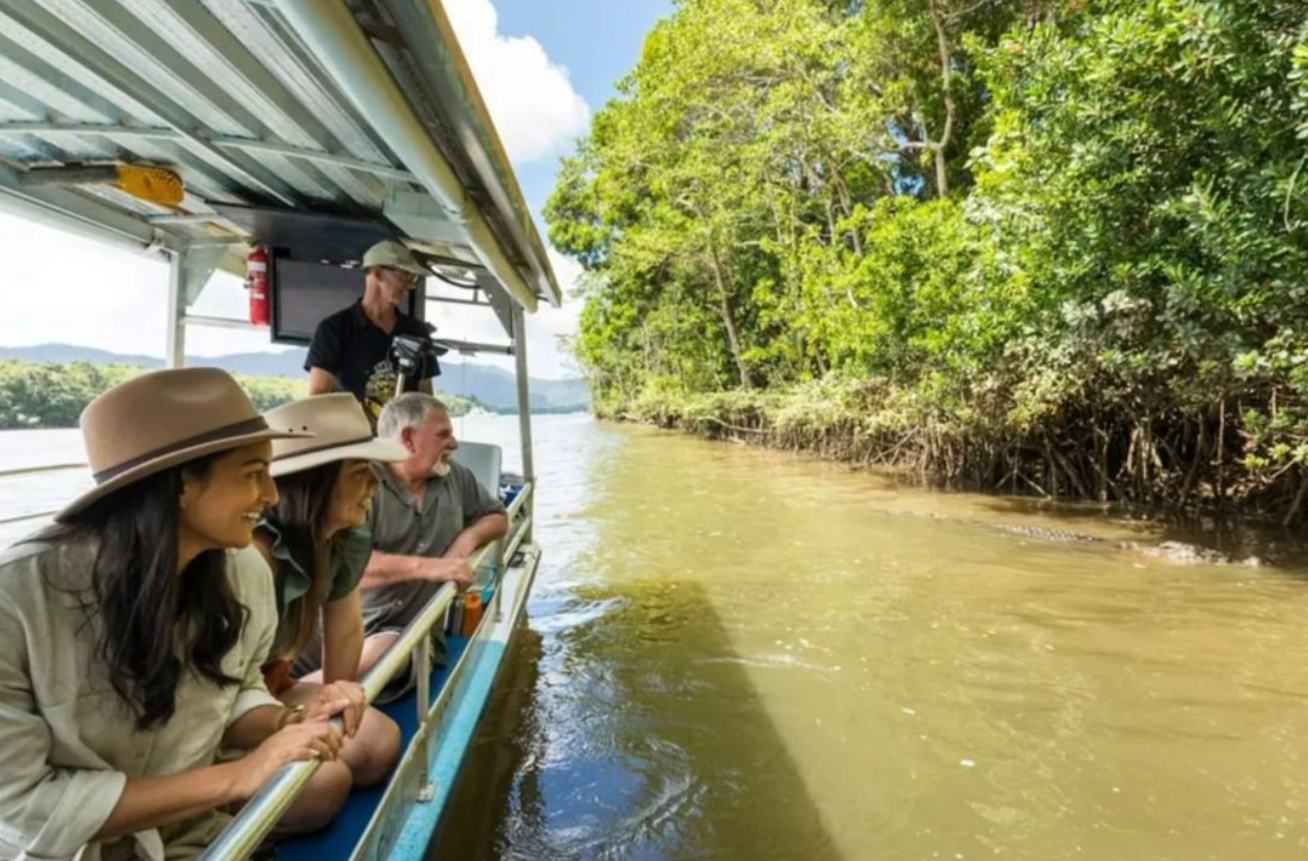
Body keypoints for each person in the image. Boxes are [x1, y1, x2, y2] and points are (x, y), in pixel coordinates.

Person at [0, 368, 349, 861]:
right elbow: (22, 803)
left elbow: (234, 690)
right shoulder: (17, 599)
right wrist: (238, 776)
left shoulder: (245, 572)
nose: (271, 494)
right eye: (253, 473)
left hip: (190, 840)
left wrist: (285, 722)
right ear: (181, 485)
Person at [253, 394, 407, 814]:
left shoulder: (341, 538)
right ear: (313, 485)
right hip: (225, 714)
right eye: (360, 472)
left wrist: (339, 704)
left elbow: (345, 627)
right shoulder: (255, 555)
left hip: (274, 686)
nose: (375, 485)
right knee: (325, 785)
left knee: (376, 745)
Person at [356, 393, 509, 687]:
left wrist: (465, 541)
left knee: (390, 650)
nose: (454, 444)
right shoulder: (360, 484)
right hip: (354, 630)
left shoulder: (455, 476)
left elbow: (497, 517)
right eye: (443, 434)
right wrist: (432, 568)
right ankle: (306, 697)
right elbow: (344, 568)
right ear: (408, 438)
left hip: (417, 635)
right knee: (380, 652)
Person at [305, 239, 441, 424]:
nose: (410, 285)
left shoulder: (417, 332)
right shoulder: (334, 329)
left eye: (413, 278)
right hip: (353, 437)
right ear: (377, 272)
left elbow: (427, 398)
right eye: (405, 275)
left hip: (402, 439)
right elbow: (318, 397)